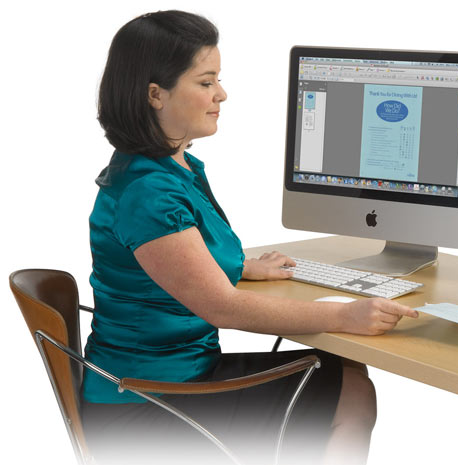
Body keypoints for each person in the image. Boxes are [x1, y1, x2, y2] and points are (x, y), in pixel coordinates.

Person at [80, 10, 418, 465]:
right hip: (147, 404)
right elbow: (222, 307)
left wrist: (240, 267)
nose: (221, 94)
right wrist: (346, 314)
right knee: (352, 388)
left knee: (345, 368)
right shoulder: (147, 193)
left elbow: (175, 262)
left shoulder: (169, 168)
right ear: (155, 94)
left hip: (167, 380)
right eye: (205, 82)